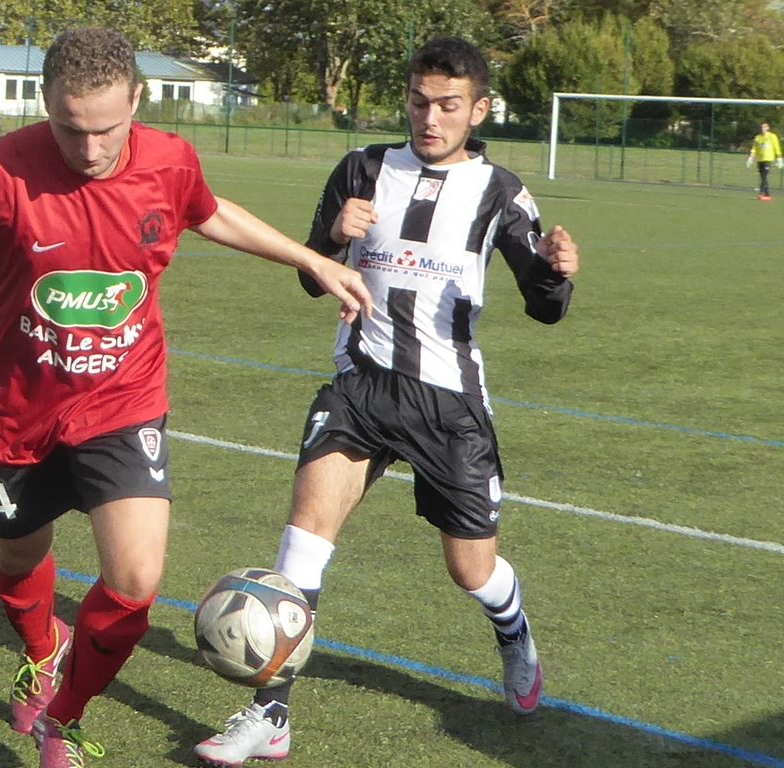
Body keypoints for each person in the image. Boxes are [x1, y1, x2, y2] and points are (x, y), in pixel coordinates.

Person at [0, 27, 371, 768]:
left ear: (138, 103)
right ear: (45, 103)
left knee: (137, 580)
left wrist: (311, 257)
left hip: (124, 399)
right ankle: (39, 647)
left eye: (108, 129)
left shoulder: (169, 160)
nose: (89, 149)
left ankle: (65, 717)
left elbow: (207, 211)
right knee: (20, 560)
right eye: (69, 128)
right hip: (18, 410)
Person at [194, 37, 581, 766]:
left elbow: (545, 305)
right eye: (417, 102)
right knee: (302, 544)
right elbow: (314, 277)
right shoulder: (362, 168)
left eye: (447, 106)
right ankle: (269, 715)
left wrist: (558, 272)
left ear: (478, 109)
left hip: (448, 403)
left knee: (470, 569)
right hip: (361, 387)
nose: (429, 118)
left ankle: (513, 630)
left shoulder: (500, 189)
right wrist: (334, 240)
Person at [747, 121, 784, 201]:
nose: (762, 129)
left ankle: (761, 192)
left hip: (768, 159)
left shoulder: (772, 136)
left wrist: (779, 159)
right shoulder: (758, 137)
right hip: (760, 159)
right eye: (761, 127)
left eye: (764, 127)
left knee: (764, 176)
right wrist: (750, 158)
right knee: (762, 176)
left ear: (767, 128)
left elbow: (777, 148)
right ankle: (767, 194)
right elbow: (754, 149)